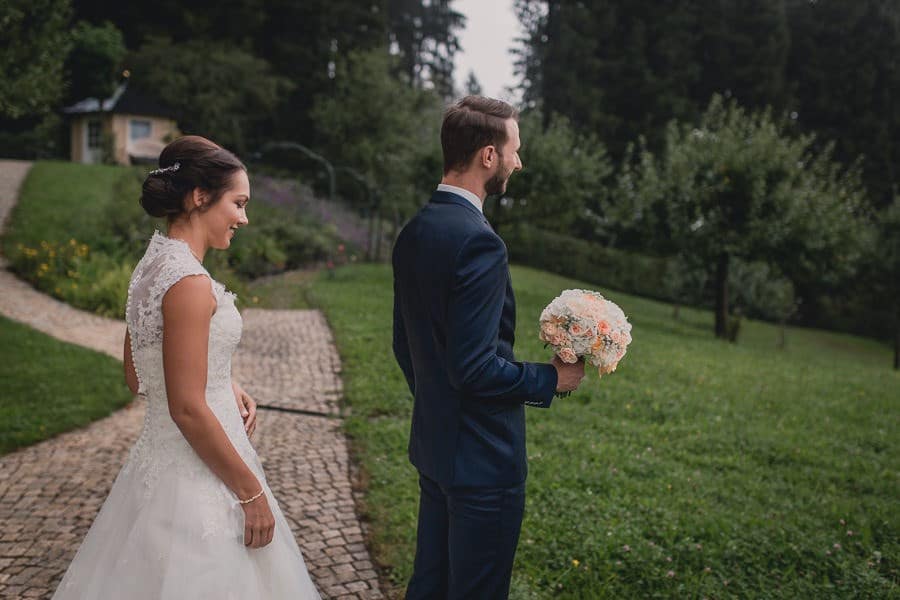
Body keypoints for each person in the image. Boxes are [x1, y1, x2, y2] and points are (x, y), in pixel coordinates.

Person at [53, 136, 320, 599]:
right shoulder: (191, 283)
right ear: (200, 197)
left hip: (158, 467)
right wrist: (251, 493)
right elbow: (188, 409)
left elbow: (139, 374)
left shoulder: (152, 269)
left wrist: (222, 378)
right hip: (199, 479)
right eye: (238, 203)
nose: (244, 217)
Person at [392, 96, 585, 599]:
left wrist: (438, 405)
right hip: (482, 462)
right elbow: (475, 368)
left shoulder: (414, 231)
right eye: (514, 150)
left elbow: (404, 345)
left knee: (429, 586)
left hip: (435, 449)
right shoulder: (480, 242)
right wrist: (552, 379)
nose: (518, 162)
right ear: (487, 156)